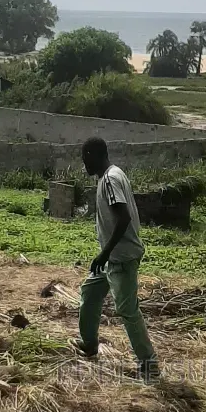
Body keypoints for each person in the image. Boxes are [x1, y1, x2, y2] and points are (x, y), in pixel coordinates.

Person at [74, 137, 159, 380]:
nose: (84, 165)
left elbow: (123, 218)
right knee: (90, 293)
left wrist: (105, 252)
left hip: (120, 258)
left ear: (92, 154)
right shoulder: (110, 176)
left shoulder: (110, 179)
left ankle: (149, 364)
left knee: (127, 310)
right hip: (111, 259)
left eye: (84, 159)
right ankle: (89, 345)